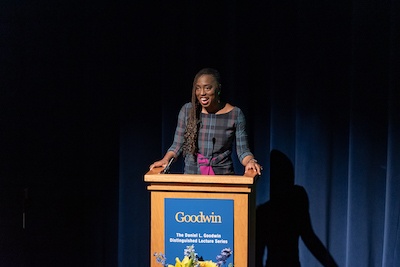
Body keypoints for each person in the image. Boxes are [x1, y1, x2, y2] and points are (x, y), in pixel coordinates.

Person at [150, 68, 261, 175]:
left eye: (207, 88)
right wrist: (166, 159)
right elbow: (177, 146)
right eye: (198, 88)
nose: (202, 93)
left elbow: (243, 151)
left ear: (218, 89)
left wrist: (251, 161)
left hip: (222, 180)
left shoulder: (235, 114)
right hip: (192, 178)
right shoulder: (188, 111)